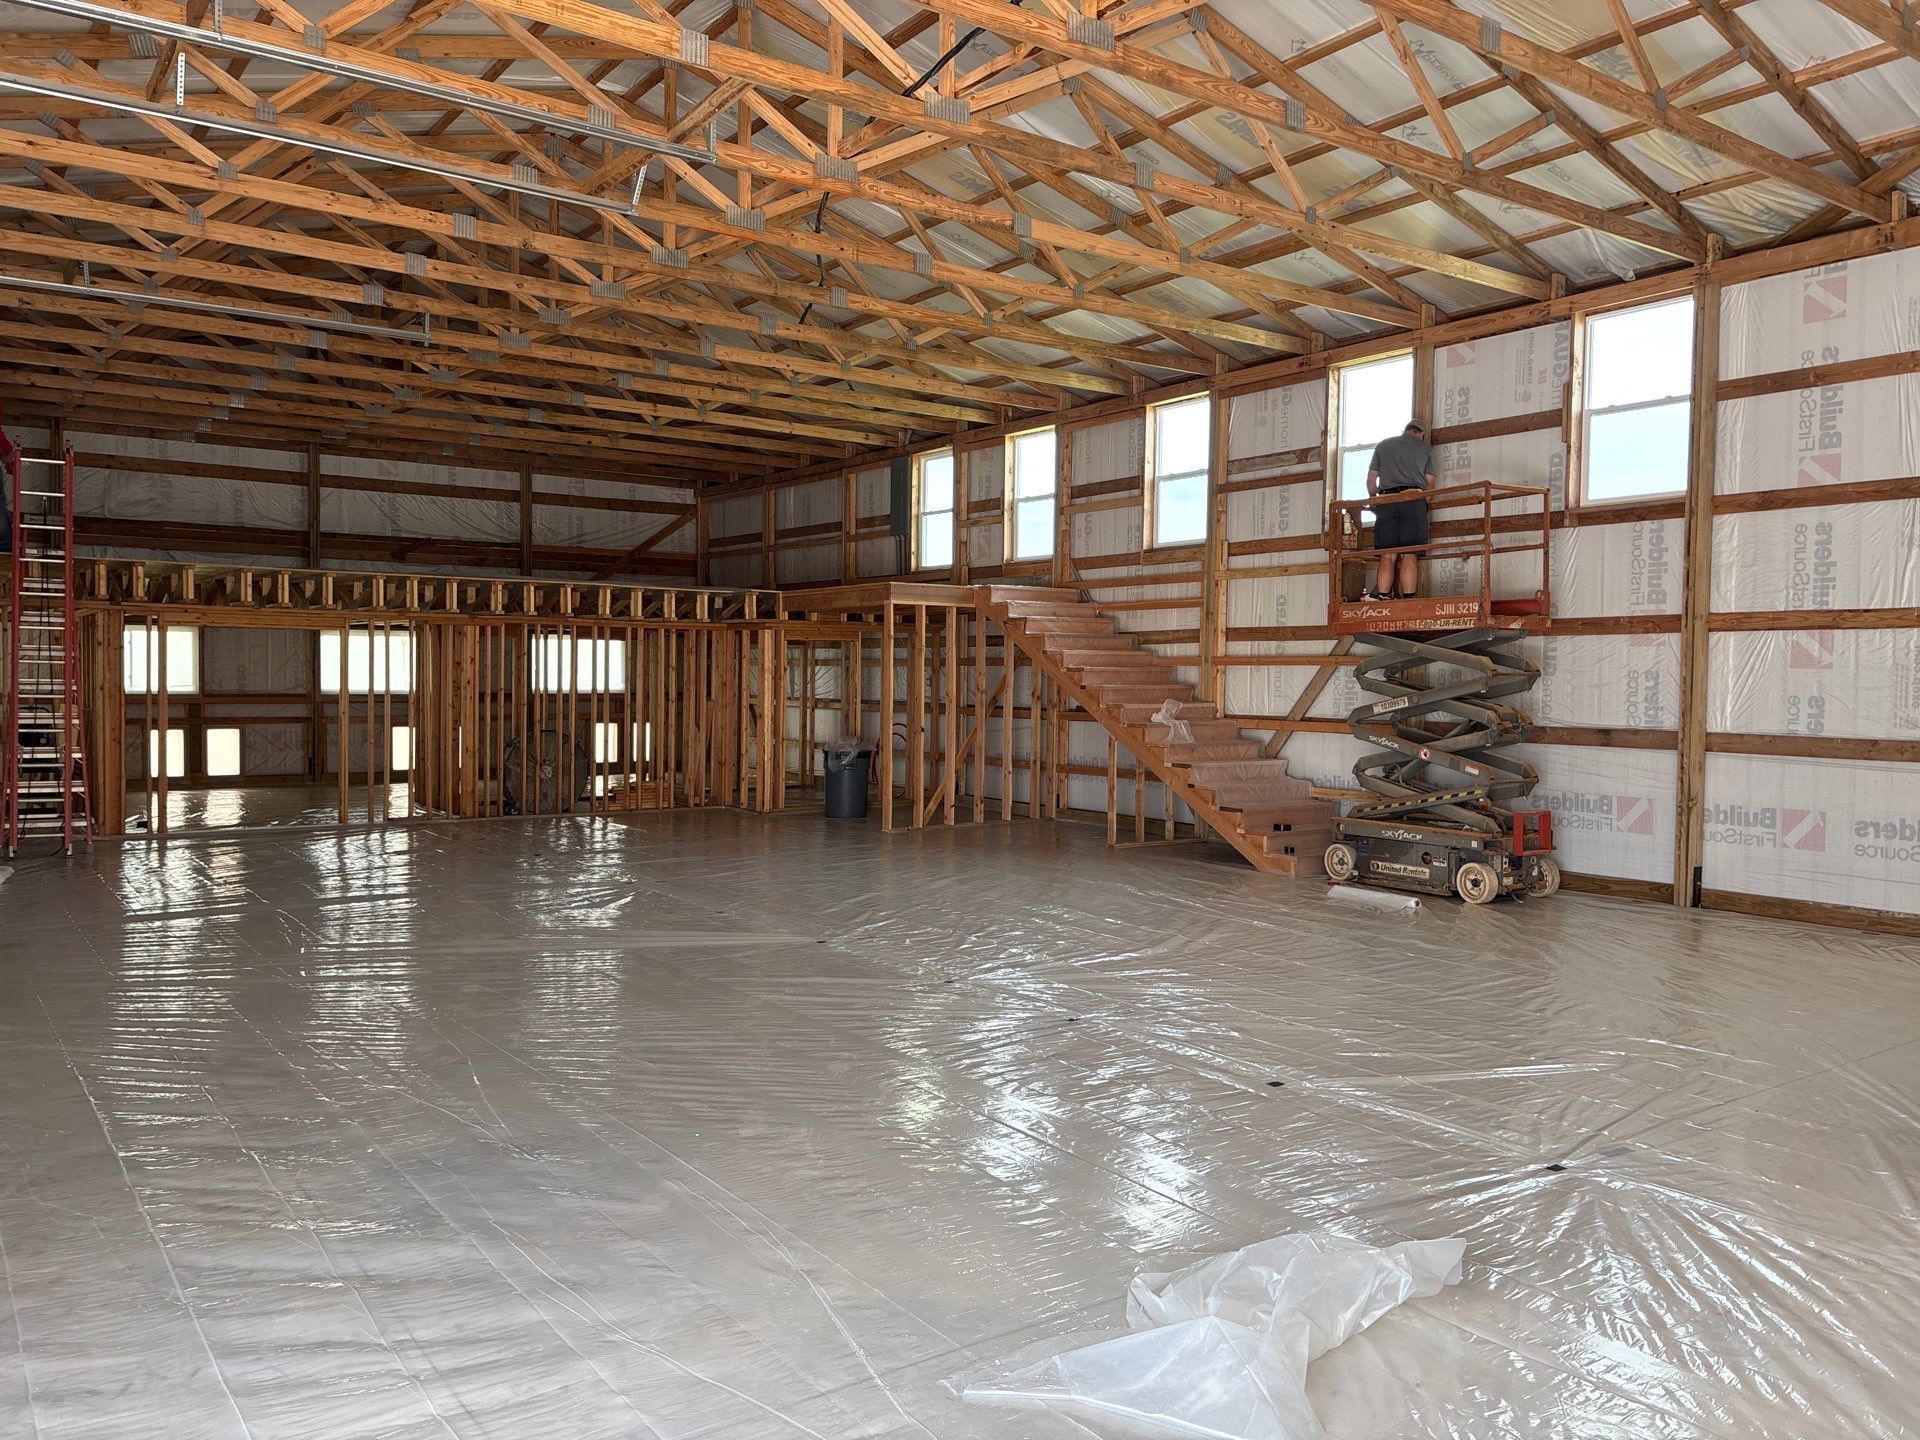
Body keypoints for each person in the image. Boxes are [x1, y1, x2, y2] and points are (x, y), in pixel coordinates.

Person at [1365, 419, 1436, 599]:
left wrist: (1374, 500)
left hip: (1387, 500)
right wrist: (1424, 503)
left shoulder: (1383, 445)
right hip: (1413, 499)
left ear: (1405, 430)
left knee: (1387, 554)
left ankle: (1382, 596)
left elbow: (1372, 478)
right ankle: (1409, 600)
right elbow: (1430, 481)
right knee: (1409, 553)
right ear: (1420, 434)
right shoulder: (1426, 449)